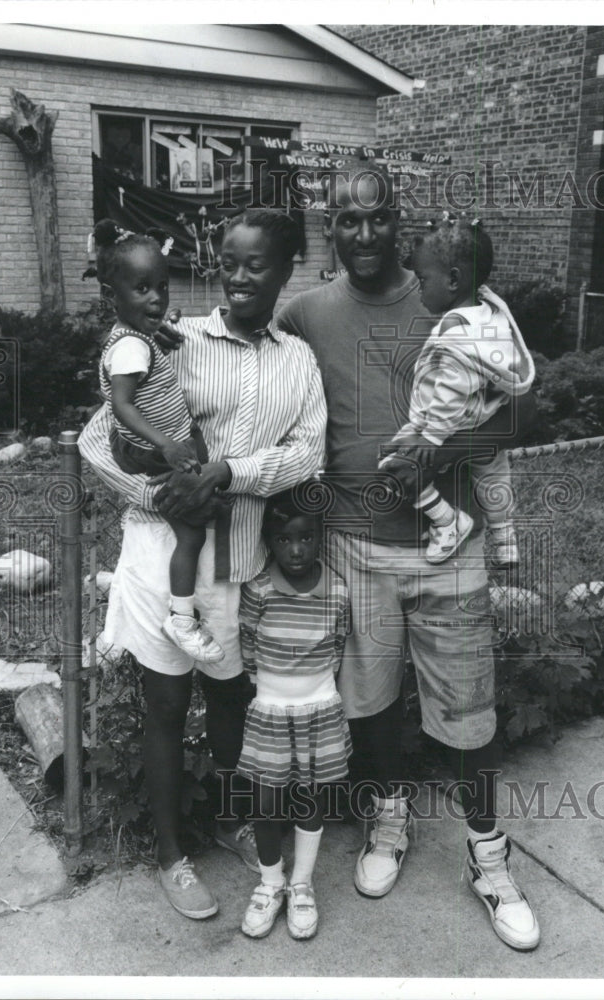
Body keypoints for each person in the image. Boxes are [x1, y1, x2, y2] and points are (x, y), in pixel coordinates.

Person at [276, 165, 540, 951]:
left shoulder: (457, 304)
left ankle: (489, 858)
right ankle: (386, 820)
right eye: (346, 221)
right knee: (372, 705)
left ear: (400, 222)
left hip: (445, 546)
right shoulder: (307, 314)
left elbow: (525, 412)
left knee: (469, 711)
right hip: (353, 548)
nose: (362, 234)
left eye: (377, 219)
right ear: (330, 226)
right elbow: (257, 384)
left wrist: (442, 454)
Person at [78, 209, 327, 920]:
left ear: (287, 270)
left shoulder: (297, 361)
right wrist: (159, 494)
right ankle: (168, 853)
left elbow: (306, 456)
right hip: (164, 550)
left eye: (257, 265)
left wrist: (226, 473)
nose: (239, 276)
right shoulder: (175, 342)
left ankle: (230, 818)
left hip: (237, 557)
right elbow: (100, 439)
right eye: (229, 261)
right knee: (165, 705)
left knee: (228, 697)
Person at [92, 218, 224, 664]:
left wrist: (159, 329)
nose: (156, 298)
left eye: (162, 287)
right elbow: (124, 406)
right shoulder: (130, 348)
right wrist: (166, 444)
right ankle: (181, 617)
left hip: (155, 445)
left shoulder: (136, 338)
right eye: (142, 289)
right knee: (190, 534)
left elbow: (147, 360)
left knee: (199, 491)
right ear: (113, 297)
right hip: (150, 452)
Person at [379, 214, 535, 567]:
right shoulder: (489, 312)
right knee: (493, 471)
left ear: (452, 279)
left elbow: (452, 386)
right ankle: (505, 537)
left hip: (450, 422)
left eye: (422, 280)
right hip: (484, 414)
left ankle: (446, 520)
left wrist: (431, 441)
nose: (418, 289)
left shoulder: (454, 332)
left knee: (393, 463)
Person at [236, 487, 351, 940]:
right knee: (267, 801)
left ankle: (302, 884)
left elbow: (337, 645)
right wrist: (269, 692)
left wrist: (316, 691)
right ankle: (270, 883)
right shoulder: (259, 590)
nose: (296, 549)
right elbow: (247, 645)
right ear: (268, 542)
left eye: (305, 538)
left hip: (319, 707)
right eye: (284, 540)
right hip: (270, 709)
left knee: (310, 797)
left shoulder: (337, 590)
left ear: (320, 537)